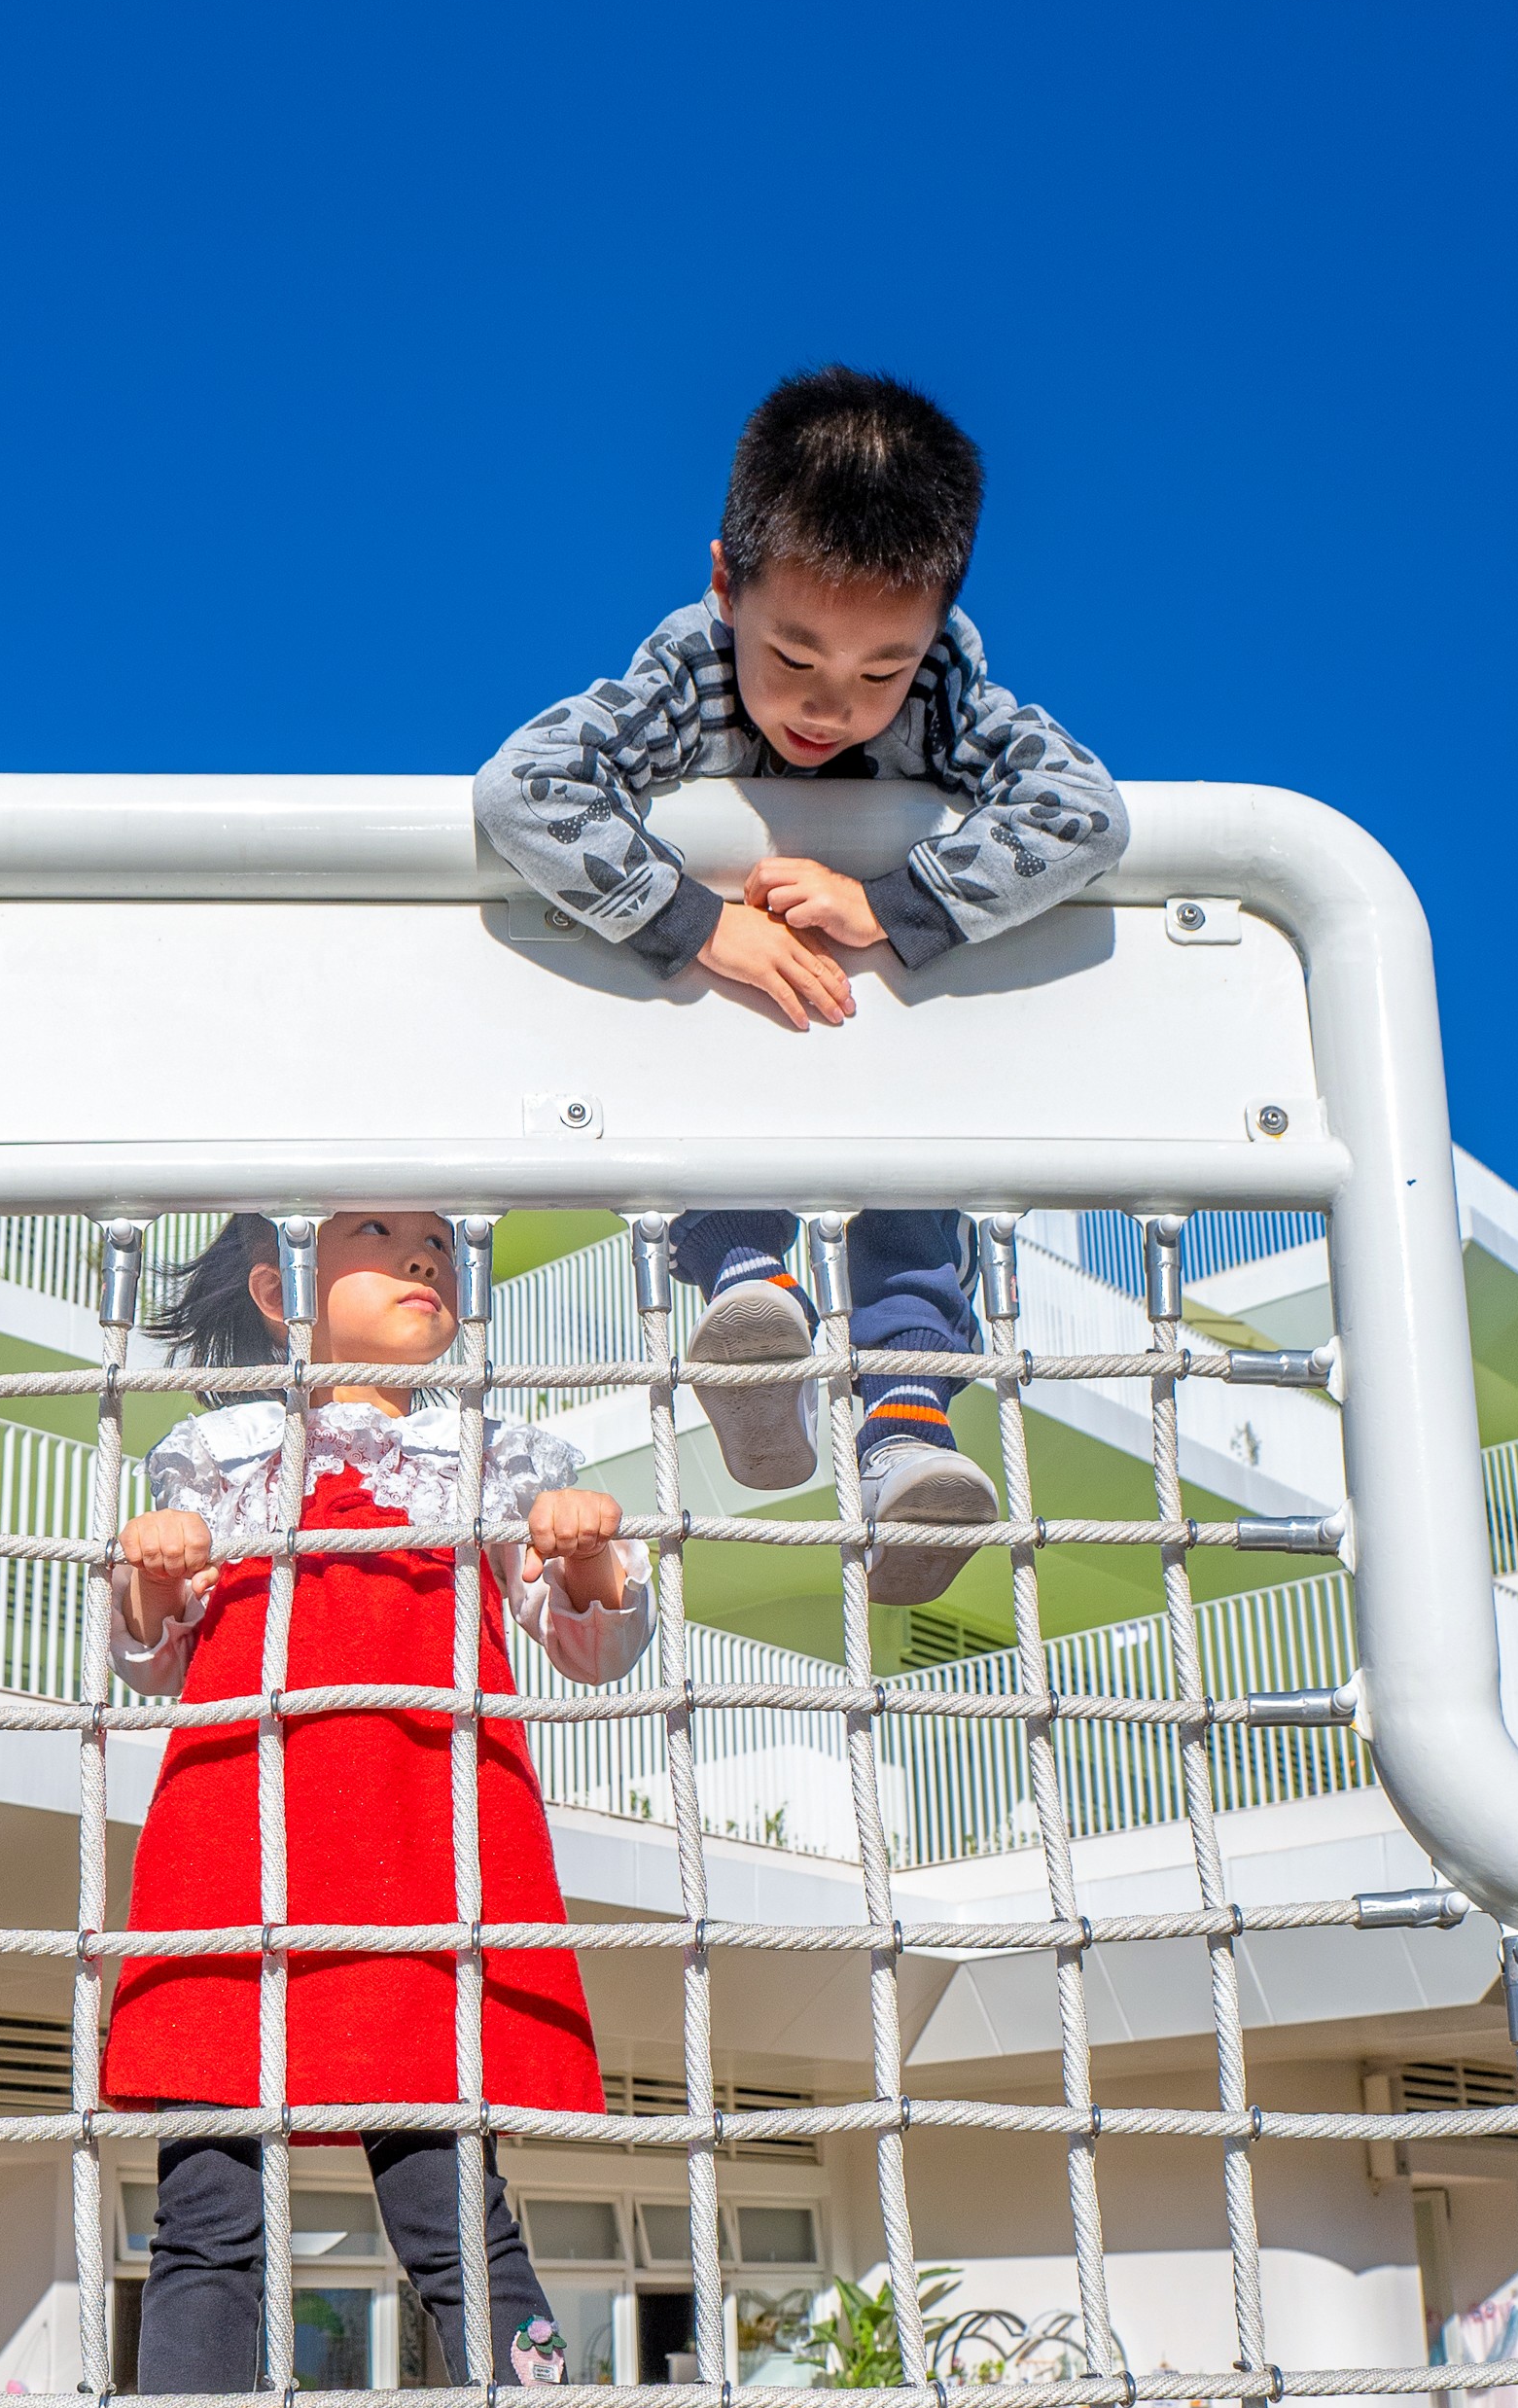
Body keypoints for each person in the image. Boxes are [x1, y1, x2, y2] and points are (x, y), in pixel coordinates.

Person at [65, 1208, 653, 2408]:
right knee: (204, 2218)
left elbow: (587, 1647)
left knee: (459, 2226)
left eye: (439, 1248)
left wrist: (587, 1566)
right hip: (243, 1854)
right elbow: (144, 1654)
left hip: (425, 1860)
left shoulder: (493, 1459)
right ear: (279, 1289)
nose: (421, 1264)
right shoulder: (221, 1454)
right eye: (375, 1239)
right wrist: (148, 1574)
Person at [475, 366, 1127, 1607]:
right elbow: (523, 789)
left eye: (881, 669)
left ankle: (908, 1432)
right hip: (734, 1034)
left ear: (935, 634)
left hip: (884, 1059)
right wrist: (698, 923)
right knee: (715, 1080)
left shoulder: (945, 701)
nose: (833, 704)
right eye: (796, 655)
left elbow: (1084, 809)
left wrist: (892, 905)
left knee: (914, 1183)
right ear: (726, 583)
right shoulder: (690, 681)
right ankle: (747, 1295)